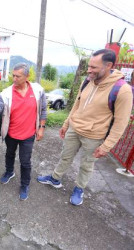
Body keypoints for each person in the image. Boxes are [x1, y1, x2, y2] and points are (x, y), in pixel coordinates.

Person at [37, 49, 133, 206]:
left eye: (94, 67)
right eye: (89, 66)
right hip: (74, 129)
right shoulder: (88, 80)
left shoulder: (122, 90)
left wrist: (107, 146)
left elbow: (120, 123)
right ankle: (55, 178)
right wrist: (67, 123)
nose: (89, 70)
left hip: (94, 136)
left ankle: (79, 188)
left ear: (108, 66)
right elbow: (77, 104)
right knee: (65, 156)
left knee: (87, 165)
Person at [0, 62, 47, 201]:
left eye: (18, 76)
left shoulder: (38, 91)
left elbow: (43, 110)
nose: (14, 79)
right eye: (13, 75)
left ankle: (25, 185)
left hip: (28, 135)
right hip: (11, 133)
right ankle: (9, 172)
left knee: (25, 161)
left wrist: (41, 127)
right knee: (9, 154)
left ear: (27, 76)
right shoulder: (6, 94)